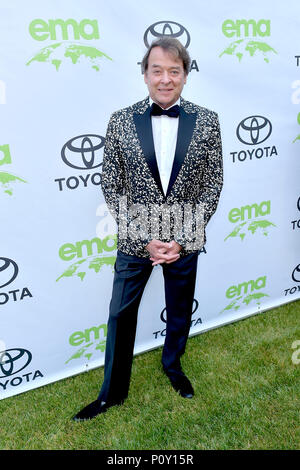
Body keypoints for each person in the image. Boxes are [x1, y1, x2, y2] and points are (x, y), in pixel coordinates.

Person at [73, 37, 223, 421]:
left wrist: (182, 239)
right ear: (144, 74)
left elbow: (212, 184)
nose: (166, 79)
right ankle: (111, 393)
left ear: (186, 76)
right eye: (157, 70)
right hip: (135, 240)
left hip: (183, 239)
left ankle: (173, 367)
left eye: (175, 71)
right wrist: (144, 238)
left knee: (178, 312)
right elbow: (112, 185)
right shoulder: (120, 120)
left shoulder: (208, 121)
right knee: (120, 315)